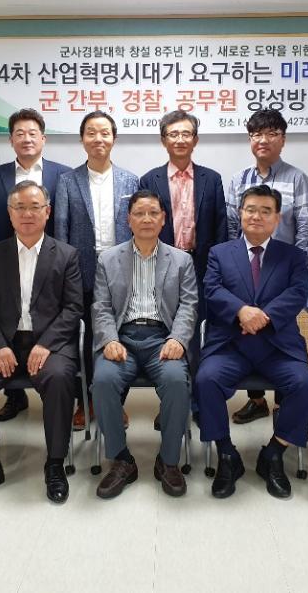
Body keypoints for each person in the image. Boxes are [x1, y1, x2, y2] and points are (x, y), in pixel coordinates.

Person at [0, 181, 83, 504]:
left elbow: (73, 308)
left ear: (47, 212)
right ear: (10, 214)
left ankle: (55, 463)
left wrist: (47, 343)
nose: (27, 214)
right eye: (20, 208)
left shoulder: (66, 254)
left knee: (59, 378)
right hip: (3, 342)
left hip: (50, 344)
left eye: (34, 207)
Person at [197, 185, 308, 499]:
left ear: (277, 218)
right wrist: (241, 311)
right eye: (251, 209)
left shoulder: (293, 256)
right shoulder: (219, 253)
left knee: (307, 386)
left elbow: (297, 293)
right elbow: (211, 290)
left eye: (266, 211)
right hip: (230, 344)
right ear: (240, 213)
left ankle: (274, 453)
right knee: (205, 380)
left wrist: (263, 317)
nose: (257, 216)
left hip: (277, 346)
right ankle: (227, 455)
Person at [91, 190, 198, 499]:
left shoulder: (182, 260)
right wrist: (109, 339)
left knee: (177, 381)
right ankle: (121, 460)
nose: (146, 219)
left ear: (163, 219)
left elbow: (189, 305)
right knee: (103, 381)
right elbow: (100, 306)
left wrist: (178, 339)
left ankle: (168, 461)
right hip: (122, 338)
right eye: (139, 213)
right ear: (129, 220)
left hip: (162, 339)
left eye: (153, 213)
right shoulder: (108, 259)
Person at [224, 109, 308, 424]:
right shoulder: (238, 180)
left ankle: (284, 402)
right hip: (247, 271)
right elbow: (231, 227)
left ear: (283, 139)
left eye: (271, 133)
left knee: (280, 331)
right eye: (257, 134)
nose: (263, 140)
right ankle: (257, 400)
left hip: (283, 273)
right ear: (250, 139)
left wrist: (298, 272)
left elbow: (306, 229)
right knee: (249, 329)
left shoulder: (297, 178)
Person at [138, 110, 228, 421]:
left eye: (186, 134)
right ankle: (171, 404)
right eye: (173, 134)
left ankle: (200, 404)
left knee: (199, 337)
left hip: (201, 267)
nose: (179, 139)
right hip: (161, 268)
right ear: (164, 140)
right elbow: (143, 228)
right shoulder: (149, 179)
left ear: (195, 140)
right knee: (166, 335)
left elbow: (221, 230)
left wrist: (218, 272)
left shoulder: (211, 179)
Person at [54, 111, 139, 430]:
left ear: (114, 138)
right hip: (81, 271)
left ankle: (116, 401)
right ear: (82, 139)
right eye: (91, 132)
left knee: (122, 335)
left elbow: (138, 228)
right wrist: (64, 273)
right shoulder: (67, 180)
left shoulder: (131, 180)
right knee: (85, 337)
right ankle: (85, 402)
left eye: (104, 132)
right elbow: (61, 229)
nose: (98, 138)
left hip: (122, 270)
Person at [0, 108, 72, 422]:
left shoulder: (63, 174)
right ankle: (15, 396)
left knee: (52, 325)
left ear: (43, 139)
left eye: (32, 133)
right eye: (19, 134)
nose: (26, 139)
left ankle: (63, 397)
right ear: (10, 140)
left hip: (52, 262)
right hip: (8, 262)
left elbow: (65, 220)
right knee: (11, 322)